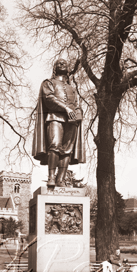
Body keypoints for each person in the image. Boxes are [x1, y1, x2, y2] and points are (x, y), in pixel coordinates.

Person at [32, 58, 86, 187]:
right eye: (59, 63)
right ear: (55, 68)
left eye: (65, 63)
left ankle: (60, 179)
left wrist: (78, 112)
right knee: (54, 146)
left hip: (71, 121)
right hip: (55, 117)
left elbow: (77, 104)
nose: (62, 64)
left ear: (68, 69)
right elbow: (49, 99)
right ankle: (51, 177)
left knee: (67, 150)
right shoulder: (48, 83)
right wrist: (66, 108)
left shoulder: (72, 88)